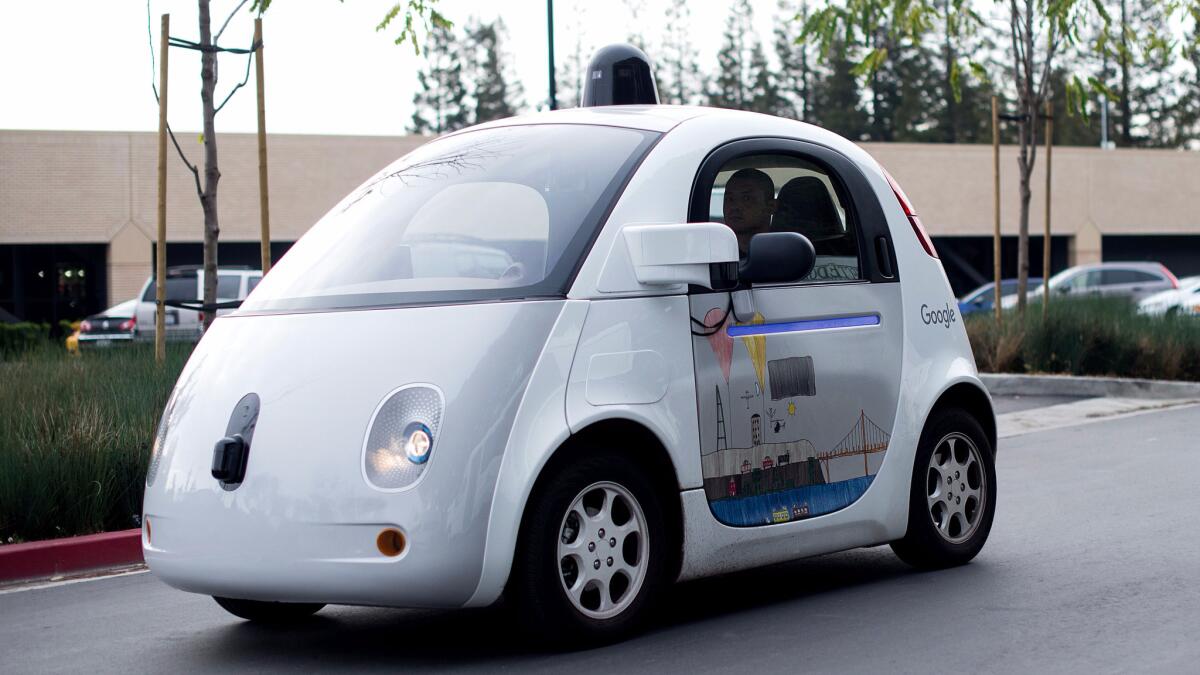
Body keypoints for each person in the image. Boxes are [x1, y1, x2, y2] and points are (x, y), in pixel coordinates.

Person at [722, 168, 776, 255]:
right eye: (730, 199)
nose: (734, 206)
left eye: (746, 198)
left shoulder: (784, 253)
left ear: (770, 207)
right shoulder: (713, 252)